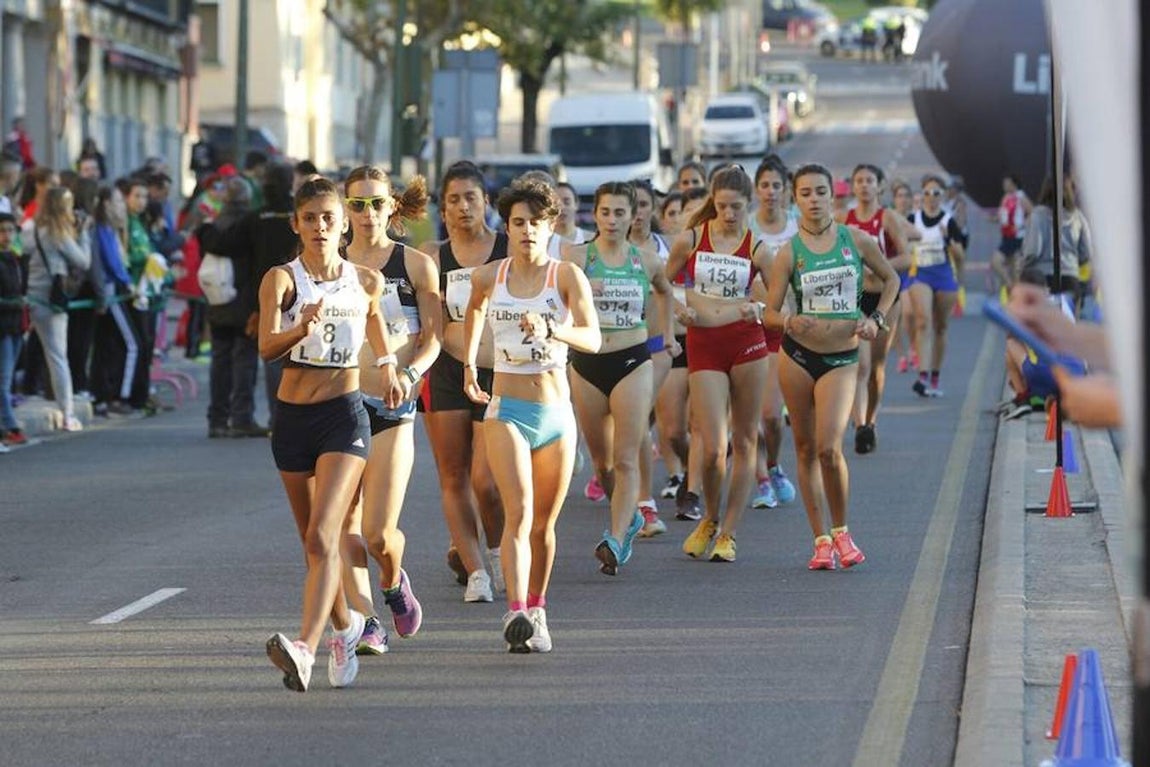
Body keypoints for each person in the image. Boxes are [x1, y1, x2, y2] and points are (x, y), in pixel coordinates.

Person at [261, 176, 398, 693]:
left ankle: (305, 647)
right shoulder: (282, 279)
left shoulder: (365, 281)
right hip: (293, 421)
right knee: (313, 545)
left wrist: (387, 366)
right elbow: (266, 347)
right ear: (296, 224)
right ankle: (347, 626)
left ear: (343, 225)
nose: (320, 226)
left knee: (325, 536)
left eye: (329, 218)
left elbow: (377, 326)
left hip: (344, 417)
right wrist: (301, 327)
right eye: (310, 218)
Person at [462, 178, 600, 652]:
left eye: (535, 223)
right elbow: (473, 307)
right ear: (507, 226)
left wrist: (555, 328)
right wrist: (467, 363)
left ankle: (537, 611)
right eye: (517, 223)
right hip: (507, 410)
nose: (526, 231)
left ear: (551, 225)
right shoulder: (490, 276)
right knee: (517, 514)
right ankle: (516, 611)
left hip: (557, 413)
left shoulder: (565, 277)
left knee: (544, 525)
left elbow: (593, 338)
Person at [762, 162, 899, 569]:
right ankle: (820, 539)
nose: (814, 200)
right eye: (805, 193)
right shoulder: (788, 253)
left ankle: (842, 531)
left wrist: (876, 320)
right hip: (798, 356)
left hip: (841, 357)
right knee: (803, 448)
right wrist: (788, 320)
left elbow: (891, 280)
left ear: (832, 196)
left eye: (821, 192)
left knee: (828, 447)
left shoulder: (854, 239)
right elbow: (768, 313)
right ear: (794, 199)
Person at [338, 165, 440, 654]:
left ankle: (393, 581)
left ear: (392, 206)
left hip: (393, 404)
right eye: (356, 205)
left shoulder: (415, 266)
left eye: (376, 203)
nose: (366, 214)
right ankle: (367, 621)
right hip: (338, 405)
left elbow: (434, 338)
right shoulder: (328, 264)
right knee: (341, 524)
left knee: (378, 534)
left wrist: (411, 373)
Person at [663, 165, 775, 563]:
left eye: (736, 208)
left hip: (747, 345)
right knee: (712, 447)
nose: (728, 214)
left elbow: (781, 297)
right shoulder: (692, 239)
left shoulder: (759, 248)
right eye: (722, 206)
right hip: (704, 343)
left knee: (744, 441)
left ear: (749, 205)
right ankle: (709, 517)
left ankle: (728, 532)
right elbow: (660, 283)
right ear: (713, 200)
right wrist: (679, 309)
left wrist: (759, 307)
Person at [564, 181, 674, 571]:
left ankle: (614, 538)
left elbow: (665, 292)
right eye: (605, 212)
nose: (612, 220)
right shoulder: (576, 258)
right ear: (595, 215)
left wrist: (666, 337)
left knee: (626, 457)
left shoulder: (646, 261)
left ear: (634, 216)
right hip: (587, 363)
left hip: (632, 360)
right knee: (603, 464)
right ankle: (625, 522)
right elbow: (556, 296)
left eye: (620, 213)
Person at [417, 161, 507, 602]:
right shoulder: (433, 258)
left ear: (485, 201)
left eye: (471, 197)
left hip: (500, 371)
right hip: (447, 369)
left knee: (486, 482)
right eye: (453, 199)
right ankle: (476, 572)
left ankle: (497, 551)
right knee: (453, 475)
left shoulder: (509, 249)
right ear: (443, 208)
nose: (463, 206)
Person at [838, 163, 910, 454]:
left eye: (870, 181)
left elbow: (906, 257)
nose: (864, 185)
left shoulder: (887, 218)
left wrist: (878, 267)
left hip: (885, 299)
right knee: (860, 364)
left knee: (877, 366)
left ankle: (871, 419)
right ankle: (861, 427)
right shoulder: (844, 219)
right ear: (853, 187)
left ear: (879, 186)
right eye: (859, 181)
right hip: (856, 299)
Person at [628, 180, 679, 536]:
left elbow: (679, 290)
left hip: (657, 346)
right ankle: (624, 495)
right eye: (630, 206)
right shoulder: (599, 252)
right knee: (622, 433)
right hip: (614, 348)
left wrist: (676, 330)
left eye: (643, 204)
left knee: (638, 419)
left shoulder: (667, 249)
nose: (637, 212)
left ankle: (644, 504)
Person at [747, 155, 798, 507]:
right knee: (754, 415)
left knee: (772, 416)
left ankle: (774, 465)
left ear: (786, 191)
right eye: (764, 185)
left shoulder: (799, 227)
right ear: (756, 190)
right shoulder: (746, 227)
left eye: (776, 185)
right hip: (750, 329)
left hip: (790, 330)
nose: (769, 192)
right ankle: (762, 480)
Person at [196, 177, 265, 437]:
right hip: (245, 302)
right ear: (247, 199)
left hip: (217, 302)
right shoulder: (251, 224)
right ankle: (241, 417)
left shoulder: (213, 226)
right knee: (245, 361)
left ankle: (217, 418)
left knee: (220, 360)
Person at [24, 185, 91, 432]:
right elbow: (84, 261)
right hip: (52, 301)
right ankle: (67, 413)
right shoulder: (58, 234)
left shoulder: (29, 229)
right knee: (57, 356)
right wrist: (83, 233)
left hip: (29, 297)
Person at [1008, 282, 1118, 428]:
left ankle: (1023, 396)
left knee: (1012, 343)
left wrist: (1111, 406)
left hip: (1047, 374)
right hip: (1073, 373)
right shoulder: (1066, 303)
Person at [89, 185, 148, 417]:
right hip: (112, 290)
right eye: (117, 202)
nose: (121, 206)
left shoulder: (110, 229)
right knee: (132, 344)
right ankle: (120, 396)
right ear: (106, 204)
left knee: (107, 345)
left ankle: (103, 393)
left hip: (115, 288)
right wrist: (128, 282)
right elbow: (113, 263)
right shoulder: (101, 229)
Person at [907, 174, 965, 398]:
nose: (931, 197)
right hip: (921, 274)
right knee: (923, 321)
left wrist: (948, 240)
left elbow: (960, 255)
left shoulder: (948, 221)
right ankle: (922, 374)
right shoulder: (913, 219)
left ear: (943, 196)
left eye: (936, 193)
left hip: (943, 275)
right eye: (927, 193)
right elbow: (903, 243)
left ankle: (934, 375)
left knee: (940, 327)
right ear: (921, 196)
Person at [1019, 175, 1093, 304]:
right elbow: (1086, 253)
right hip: (1071, 278)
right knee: (1067, 322)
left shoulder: (1037, 215)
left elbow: (1032, 251)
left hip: (1043, 279)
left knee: (1045, 322)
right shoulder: (1078, 217)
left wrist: (1022, 266)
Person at [0, 212, 27, 447]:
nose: (6, 236)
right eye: (2, 231)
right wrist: (13, 303)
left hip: (16, 326)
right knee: (3, 380)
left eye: (10, 231)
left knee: (7, 381)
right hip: (3, 328)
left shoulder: (13, 259)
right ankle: (10, 425)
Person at [889, 179, 920, 373]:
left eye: (906, 196)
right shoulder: (889, 219)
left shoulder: (917, 220)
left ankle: (915, 348)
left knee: (910, 314)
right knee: (895, 319)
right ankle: (902, 354)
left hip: (914, 272)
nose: (903, 199)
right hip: (893, 272)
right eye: (899, 196)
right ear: (894, 200)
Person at [990, 173, 1032, 298]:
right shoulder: (1006, 197)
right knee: (1014, 270)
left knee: (996, 262)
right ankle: (1015, 300)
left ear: (1013, 184)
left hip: (1016, 236)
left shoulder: (1021, 197)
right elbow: (1003, 216)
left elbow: (1032, 212)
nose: (1004, 185)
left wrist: (1022, 225)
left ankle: (1011, 286)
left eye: (1006, 183)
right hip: (1006, 235)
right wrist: (994, 219)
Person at [547, 181, 590, 258]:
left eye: (567, 202)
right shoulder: (542, 243)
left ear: (576, 204)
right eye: (556, 204)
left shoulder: (590, 239)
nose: (562, 208)